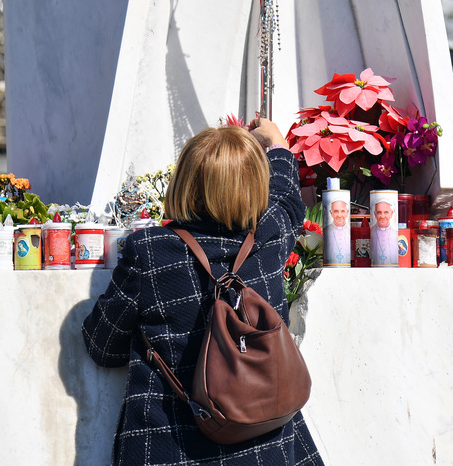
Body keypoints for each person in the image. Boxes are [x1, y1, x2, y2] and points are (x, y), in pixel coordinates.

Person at [82, 118, 323, 466]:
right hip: (268, 449)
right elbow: (286, 197)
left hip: (170, 448)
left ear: (184, 184)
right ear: (256, 185)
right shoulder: (272, 234)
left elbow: (103, 347)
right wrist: (278, 145)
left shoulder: (150, 252)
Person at [324, 199, 350, 264]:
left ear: (347, 213)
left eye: (342, 211)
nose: (339, 215)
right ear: (331, 213)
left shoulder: (350, 231)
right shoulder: (325, 231)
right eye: (336, 211)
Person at [371, 200, 397, 265]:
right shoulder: (370, 232)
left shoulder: (396, 233)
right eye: (379, 212)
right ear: (375, 214)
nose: (382, 216)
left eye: (386, 212)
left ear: (391, 214)